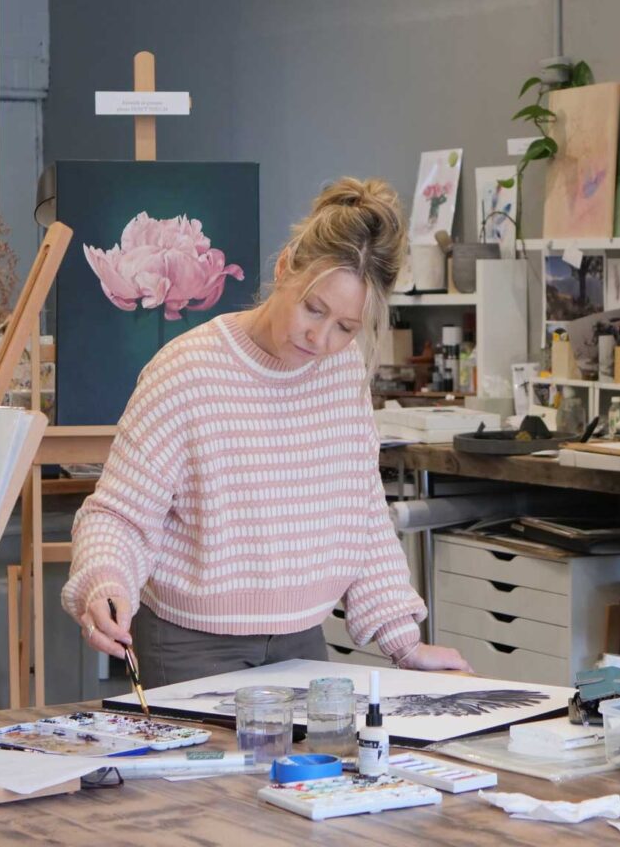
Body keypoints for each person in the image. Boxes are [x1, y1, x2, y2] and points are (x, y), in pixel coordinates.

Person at [61, 176, 470, 685]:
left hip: (302, 641)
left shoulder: (342, 376)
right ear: (283, 270)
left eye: (346, 328)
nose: (320, 339)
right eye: (313, 309)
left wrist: (404, 641)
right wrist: (104, 582)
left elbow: (360, 513)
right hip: (190, 645)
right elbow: (119, 514)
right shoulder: (186, 371)